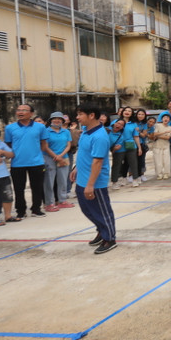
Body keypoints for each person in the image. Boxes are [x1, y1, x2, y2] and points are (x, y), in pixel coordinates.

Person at [71, 103, 117, 254]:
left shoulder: (100, 136)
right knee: (88, 210)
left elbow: (97, 162)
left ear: (91, 115)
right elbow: (84, 153)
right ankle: (101, 230)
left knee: (102, 211)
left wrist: (90, 185)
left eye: (80, 114)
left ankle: (109, 238)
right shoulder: (85, 131)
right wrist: (76, 168)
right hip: (82, 178)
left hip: (95, 182)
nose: (77, 117)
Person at [4, 103, 48, 220]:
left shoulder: (40, 127)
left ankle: (36, 209)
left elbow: (44, 144)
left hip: (37, 162)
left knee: (37, 187)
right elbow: (8, 145)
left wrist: (37, 154)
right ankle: (21, 210)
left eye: (24, 110)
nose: (20, 112)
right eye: (18, 110)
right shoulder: (10, 128)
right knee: (19, 189)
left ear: (31, 113)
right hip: (17, 163)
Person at [42, 112, 74, 212]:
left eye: (59, 119)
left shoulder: (66, 132)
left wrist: (60, 156)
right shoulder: (46, 131)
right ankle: (49, 203)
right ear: (50, 120)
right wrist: (55, 156)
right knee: (49, 181)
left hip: (63, 157)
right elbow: (45, 146)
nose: (57, 120)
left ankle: (62, 200)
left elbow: (68, 145)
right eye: (54, 119)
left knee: (63, 180)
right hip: (48, 157)